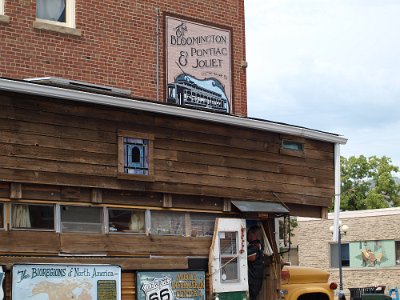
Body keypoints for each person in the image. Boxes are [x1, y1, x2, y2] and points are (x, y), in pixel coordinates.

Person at [247, 225, 264, 300]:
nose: (247, 235)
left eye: (248, 233)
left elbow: (243, 257)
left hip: (253, 282)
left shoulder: (254, 248)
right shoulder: (258, 246)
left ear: (253, 235)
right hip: (255, 281)